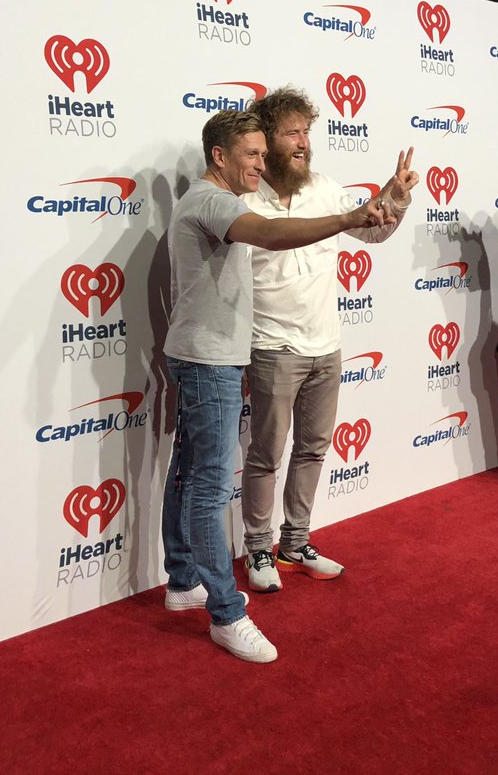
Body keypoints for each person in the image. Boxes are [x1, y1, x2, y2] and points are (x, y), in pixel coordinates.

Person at [161, 109, 390, 663]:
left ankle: (181, 580)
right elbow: (267, 234)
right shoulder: (215, 202)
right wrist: (343, 219)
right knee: (211, 487)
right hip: (209, 362)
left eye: (266, 154)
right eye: (252, 155)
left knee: (189, 471)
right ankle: (226, 613)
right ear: (220, 155)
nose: (262, 165)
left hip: (202, 358)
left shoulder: (204, 200)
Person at [240, 87, 417, 593]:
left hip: (327, 345)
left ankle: (295, 544)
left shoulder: (325, 186)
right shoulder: (245, 196)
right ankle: (258, 549)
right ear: (267, 138)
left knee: (313, 450)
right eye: (292, 133)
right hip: (272, 345)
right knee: (265, 454)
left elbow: (372, 230)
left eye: (307, 132)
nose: (303, 142)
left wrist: (394, 199)